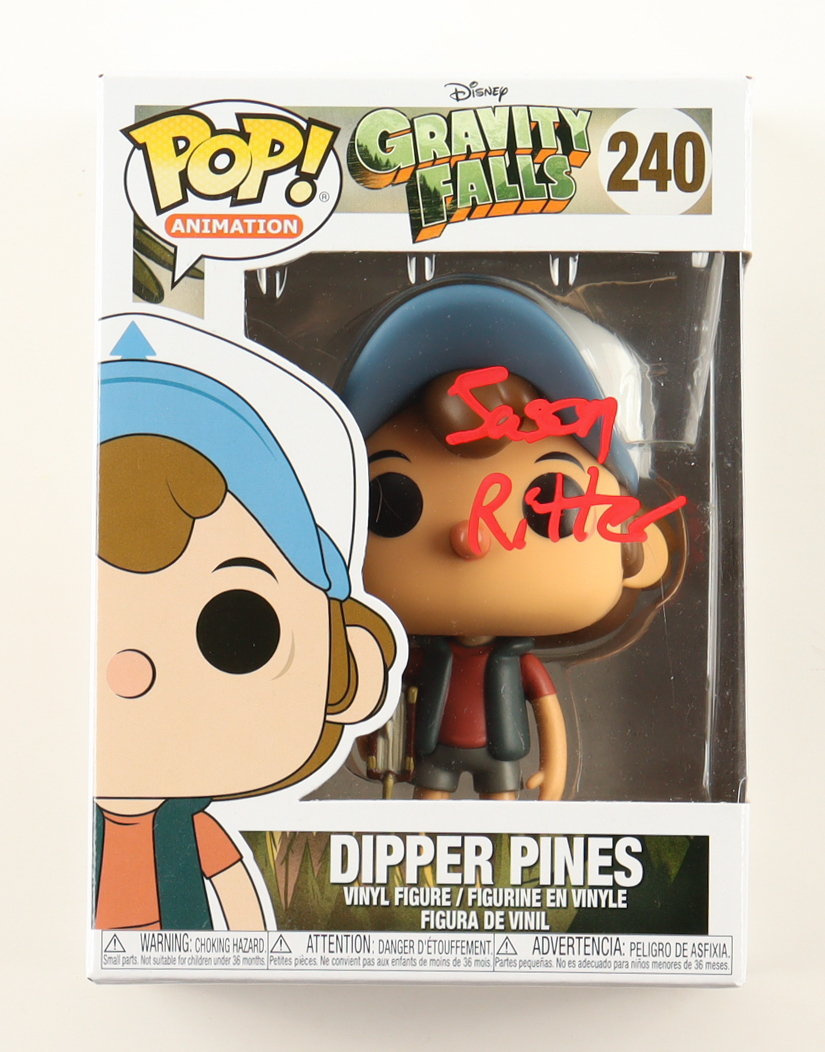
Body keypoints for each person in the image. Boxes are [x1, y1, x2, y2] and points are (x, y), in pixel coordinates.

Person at [95, 320, 397, 930]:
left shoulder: (191, 826)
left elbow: (239, 901)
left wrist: (251, 949)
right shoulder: (49, 819)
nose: (130, 673)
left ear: (351, 668)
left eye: (236, 630)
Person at [340, 277, 676, 801]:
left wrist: (554, 770)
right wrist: (371, 737)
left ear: (638, 543)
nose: (468, 536)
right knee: (426, 816)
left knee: (502, 813)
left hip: (503, 761)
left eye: (550, 504)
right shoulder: (420, 661)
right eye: (393, 504)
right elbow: (384, 701)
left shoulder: (518, 663)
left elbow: (546, 711)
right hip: (431, 757)